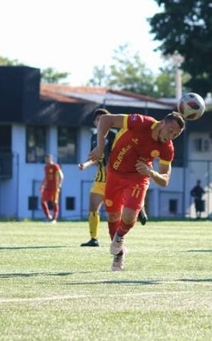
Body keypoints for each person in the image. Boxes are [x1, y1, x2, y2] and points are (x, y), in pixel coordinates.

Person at [88, 111, 185, 271]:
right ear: (162, 123)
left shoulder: (167, 148)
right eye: (170, 130)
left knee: (129, 214)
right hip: (114, 172)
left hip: (138, 177)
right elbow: (106, 119)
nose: (171, 136)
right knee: (112, 215)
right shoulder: (140, 122)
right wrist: (100, 146)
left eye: (175, 134)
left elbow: (165, 180)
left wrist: (151, 172)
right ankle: (119, 254)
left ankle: (119, 238)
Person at [78, 108, 118, 247]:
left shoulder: (114, 136)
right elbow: (94, 157)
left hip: (115, 180)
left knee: (114, 212)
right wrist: (86, 164)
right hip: (100, 180)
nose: (100, 122)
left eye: (103, 119)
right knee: (93, 207)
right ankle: (93, 238)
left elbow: (120, 156)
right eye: (98, 119)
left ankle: (117, 239)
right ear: (94, 122)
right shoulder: (94, 137)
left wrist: (112, 166)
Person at [40, 154, 64, 223]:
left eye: (47, 158)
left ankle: (54, 219)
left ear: (51, 159)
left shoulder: (55, 166)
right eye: (45, 159)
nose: (46, 160)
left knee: (54, 202)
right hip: (47, 187)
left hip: (55, 187)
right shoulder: (46, 167)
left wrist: (60, 184)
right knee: (42, 201)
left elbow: (61, 175)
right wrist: (42, 185)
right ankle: (48, 216)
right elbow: (46, 177)